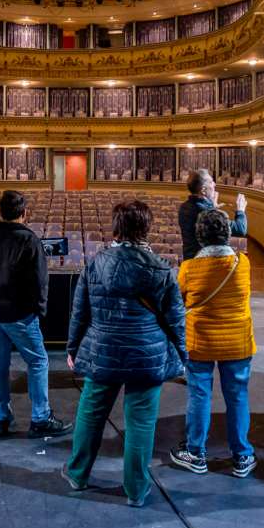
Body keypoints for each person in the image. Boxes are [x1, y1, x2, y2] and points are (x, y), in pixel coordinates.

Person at [63, 200, 187, 507]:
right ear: (147, 227)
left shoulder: (95, 264)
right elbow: (176, 320)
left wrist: (73, 348)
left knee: (91, 416)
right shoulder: (161, 268)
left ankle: (77, 474)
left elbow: (80, 312)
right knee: (141, 423)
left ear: (116, 227)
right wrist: (182, 355)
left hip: (103, 352)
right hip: (147, 355)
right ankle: (136, 490)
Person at [0, 190, 71, 439]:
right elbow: (40, 281)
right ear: (25, 213)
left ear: (0, 212)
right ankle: (40, 418)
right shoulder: (29, 240)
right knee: (38, 361)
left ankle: (1, 418)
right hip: (20, 315)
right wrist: (39, 310)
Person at [169, 209, 258, 478]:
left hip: (201, 342)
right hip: (237, 341)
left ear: (200, 236)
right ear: (228, 234)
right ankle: (242, 456)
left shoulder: (189, 269)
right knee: (238, 397)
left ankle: (196, 453)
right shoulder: (242, 264)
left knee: (199, 396)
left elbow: (179, 302)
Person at [178, 169, 248, 260]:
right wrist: (240, 211)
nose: (214, 184)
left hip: (189, 260)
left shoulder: (184, 207)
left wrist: (212, 207)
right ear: (203, 190)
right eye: (211, 182)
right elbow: (240, 229)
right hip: (205, 263)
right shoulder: (207, 213)